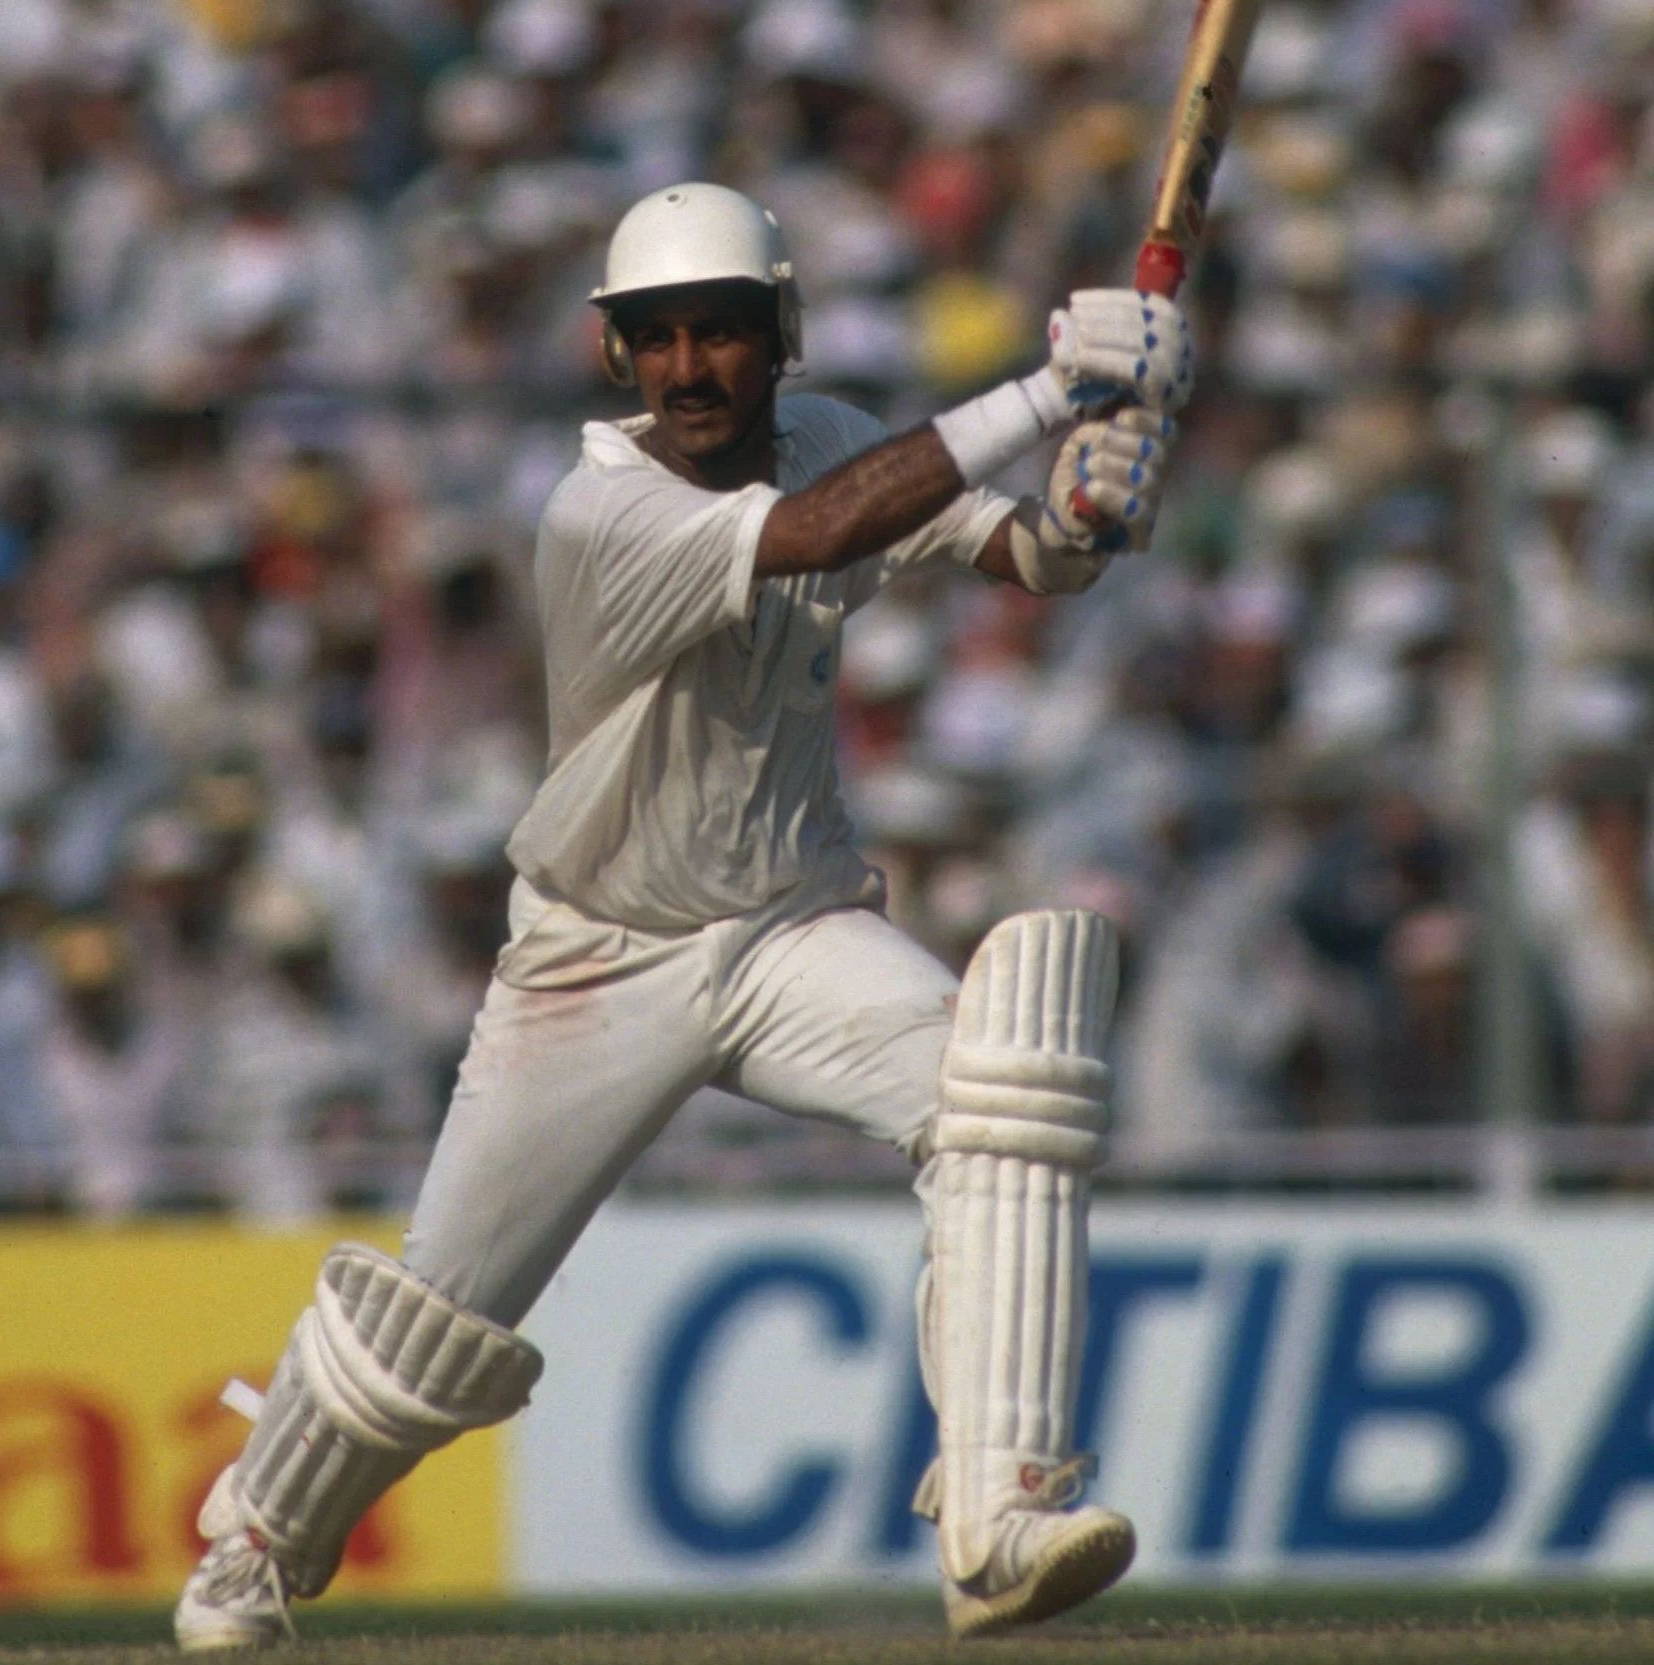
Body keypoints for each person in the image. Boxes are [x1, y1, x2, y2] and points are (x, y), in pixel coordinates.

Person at [173, 182, 1190, 1648]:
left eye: (720, 332)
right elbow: (808, 535)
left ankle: (999, 1511)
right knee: (432, 1326)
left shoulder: (833, 436)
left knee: (1001, 1082)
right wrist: (1054, 387)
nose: (690, 368)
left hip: (787, 932)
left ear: (779, 333)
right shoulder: (605, 513)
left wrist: (1091, 506)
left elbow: (1013, 555)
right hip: (596, 959)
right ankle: (255, 1542)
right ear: (614, 354)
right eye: (656, 339)